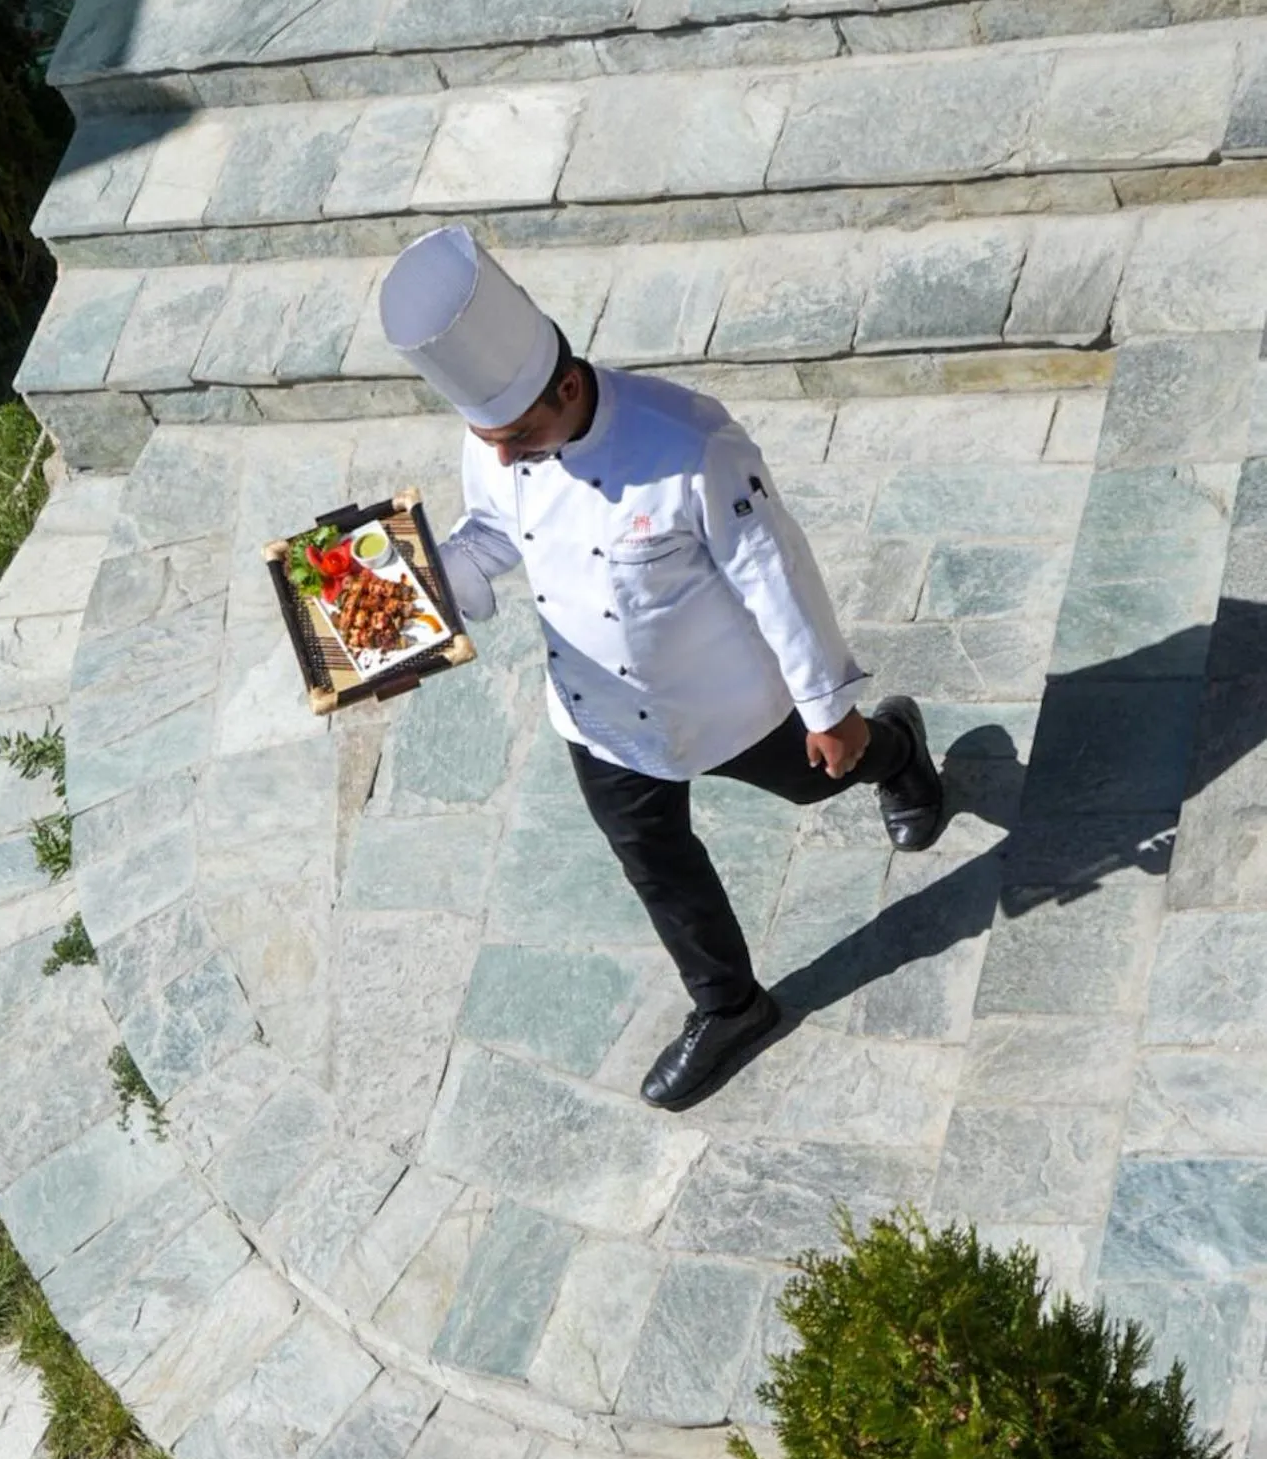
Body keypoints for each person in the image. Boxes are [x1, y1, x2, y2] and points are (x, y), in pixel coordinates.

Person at [379, 226, 944, 1111]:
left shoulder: (691, 443)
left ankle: (897, 748)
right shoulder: (495, 440)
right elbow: (490, 536)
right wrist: (414, 613)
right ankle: (731, 1006)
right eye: (486, 437)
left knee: (818, 783)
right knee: (655, 859)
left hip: (726, 704)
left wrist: (830, 709)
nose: (499, 456)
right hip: (596, 715)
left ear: (567, 387)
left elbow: (776, 573)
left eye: (517, 436)